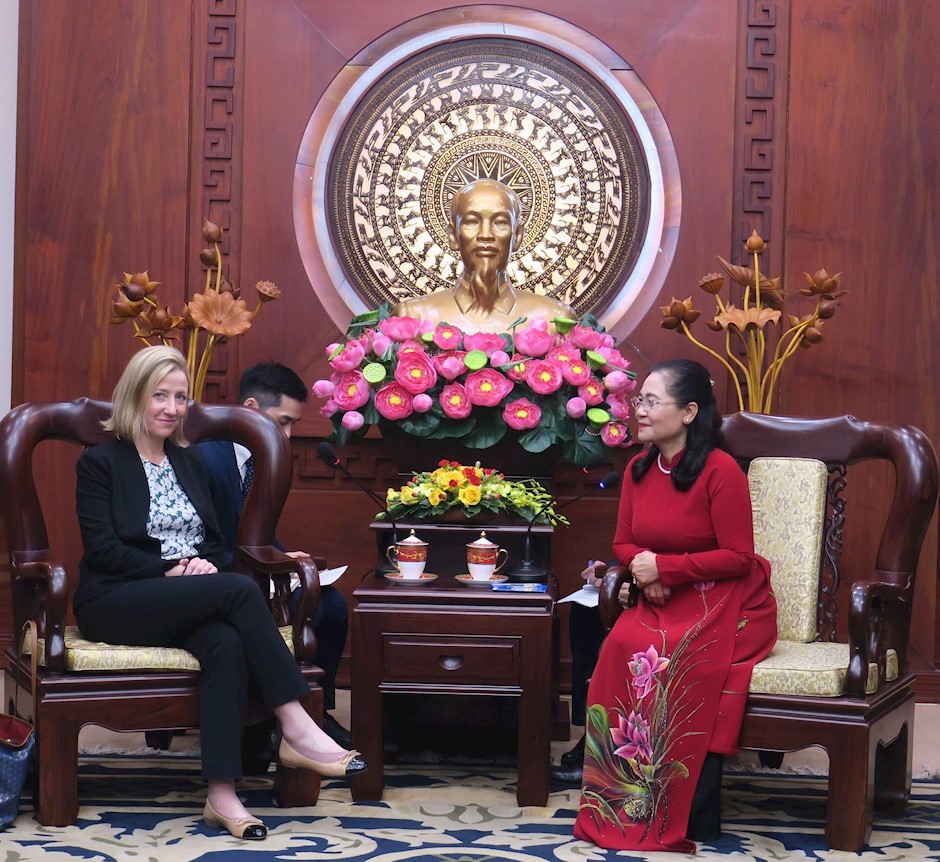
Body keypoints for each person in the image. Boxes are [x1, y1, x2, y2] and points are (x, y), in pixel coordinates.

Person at [73, 346, 367, 842]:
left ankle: (222, 793)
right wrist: (172, 570)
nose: (171, 407)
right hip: (117, 599)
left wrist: (203, 563)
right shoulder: (100, 462)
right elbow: (102, 551)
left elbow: (212, 538)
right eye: (159, 396)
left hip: (190, 593)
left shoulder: (189, 462)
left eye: (181, 397)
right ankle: (295, 723)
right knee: (235, 593)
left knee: (226, 642)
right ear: (133, 397)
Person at [573, 359, 777, 852]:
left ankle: (676, 808)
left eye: (649, 401)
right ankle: (621, 799)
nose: (637, 411)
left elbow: (738, 557)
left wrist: (666, 569)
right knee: (621, 643)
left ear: (688, 411)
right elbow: (623, 544)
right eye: (637, 400)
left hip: (728, 601)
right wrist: (649, 567)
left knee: (668, 658)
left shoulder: (719, 470)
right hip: (666, 596)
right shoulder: (639, 469)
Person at [200, 362, 350, 748]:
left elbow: (256, 531)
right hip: (213, 579)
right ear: (251, 408)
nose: (288, 434)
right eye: (283, 421)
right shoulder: (204, 455)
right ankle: (262, 724)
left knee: (329, 604)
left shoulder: (266, 459)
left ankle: (318, 712)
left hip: (258, 576)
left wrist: (284, 556)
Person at [391, 178, 576, 333]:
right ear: (454, 235)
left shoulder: (555, 321)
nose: (485, 234)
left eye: (500, 222)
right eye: (471, 221)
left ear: (517, 236)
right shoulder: (413, 318)